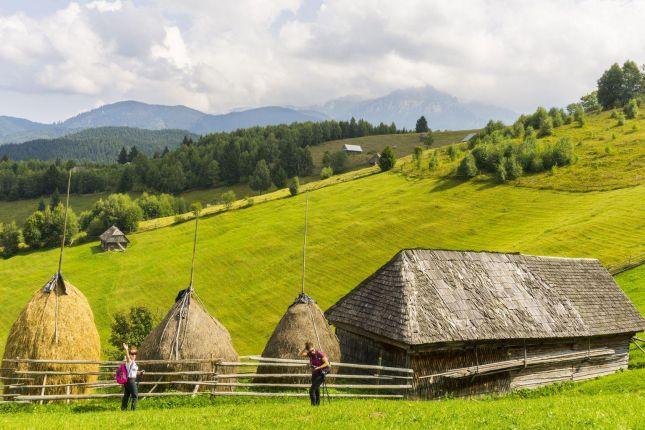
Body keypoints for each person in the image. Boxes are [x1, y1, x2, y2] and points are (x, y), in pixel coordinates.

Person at [300, 341, 330, 406]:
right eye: (310, 351)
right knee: (316, 389)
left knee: (311, 390)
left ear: (314, 348)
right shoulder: (310, 354)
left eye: (313, 350)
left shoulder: (319, 353)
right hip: (315, 373)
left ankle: (313, 406)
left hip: (322, 372)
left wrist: (318, 368)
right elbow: (301, 354)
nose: (312, 352)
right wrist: (305, 348)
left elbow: (327, 363)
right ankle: (317, 405)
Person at [121, 343, 144, 411]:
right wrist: (126, 350)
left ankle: (123, 408)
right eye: (132, 353)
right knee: (135, 395)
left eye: (135, 353)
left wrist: (140, 372)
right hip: (131, 381)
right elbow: (127, 357)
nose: (134, 355)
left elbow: (132, 372)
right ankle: (133, 410)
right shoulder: (129, 361)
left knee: (126, 395)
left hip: (128, 381)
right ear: (130, 354)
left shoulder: (133, 363)